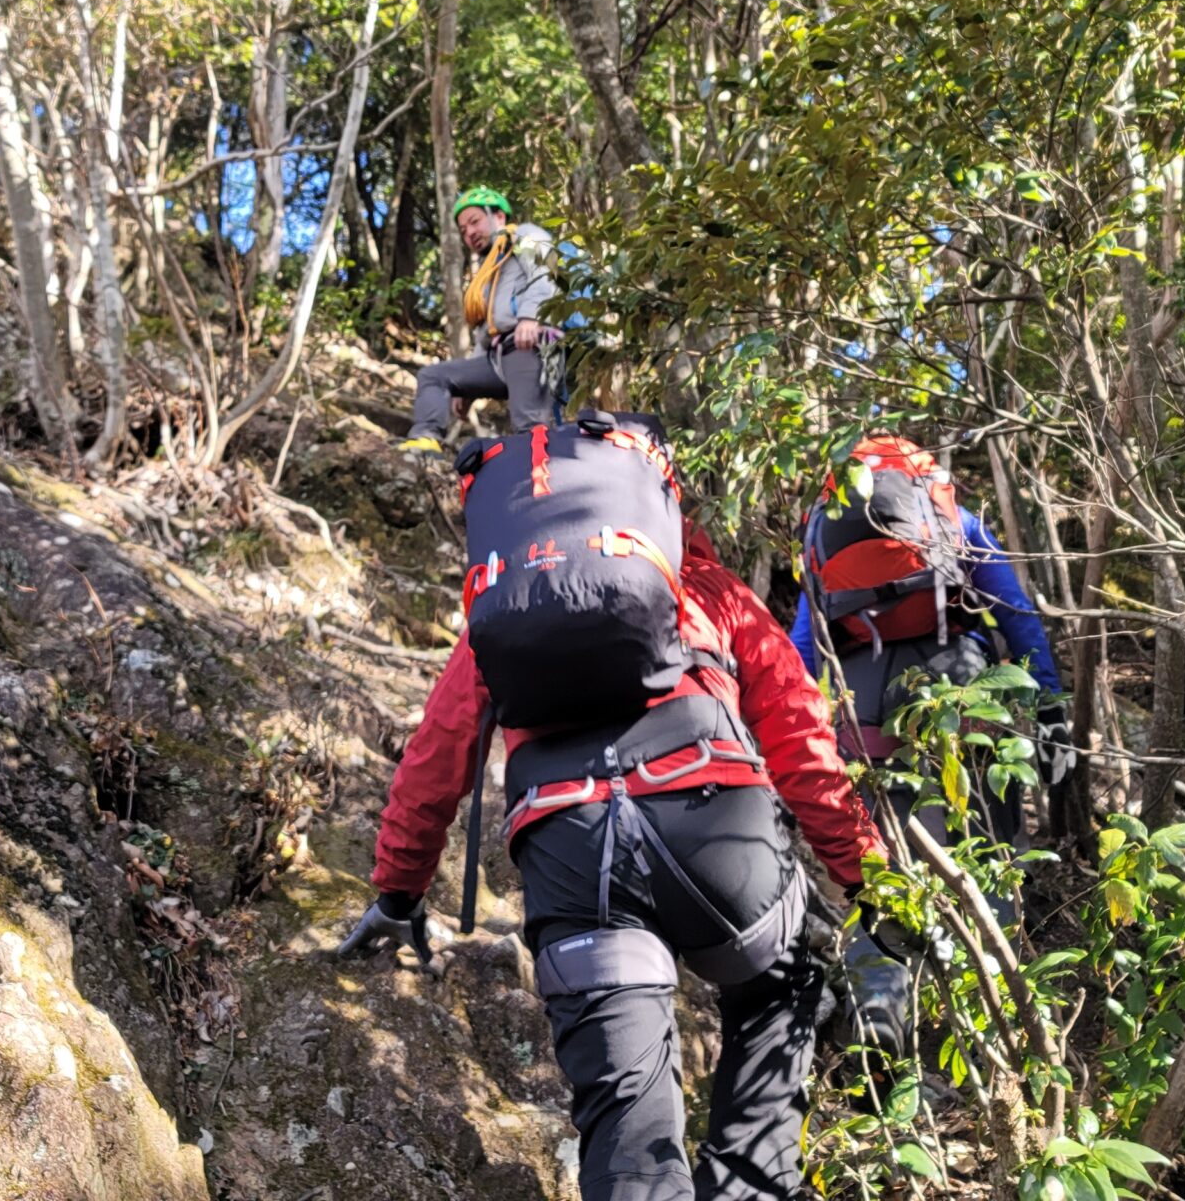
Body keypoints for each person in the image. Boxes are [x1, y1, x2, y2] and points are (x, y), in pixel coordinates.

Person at [340, 514, 885, 1201]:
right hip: (717, 829)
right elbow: (802, 740)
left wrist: (399, 892)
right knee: (783, 986)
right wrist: (868, 875)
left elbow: (436, 757)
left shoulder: (505, 610)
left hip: (572, 853)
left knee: (629, 1140)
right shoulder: (704, 585)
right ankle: (749, 1184)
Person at [786, 433, 1070, 1059]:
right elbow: (1016, 613)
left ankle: (878, 1015)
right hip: (961, 692)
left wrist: (799, 740)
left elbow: (803, 647)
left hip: (862, 706)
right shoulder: (954, 519)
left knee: (879, 866)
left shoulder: (822, 532)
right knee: (989, 852)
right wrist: (1048, 705)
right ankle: (996, 1030)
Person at [396, 186, 561, 456]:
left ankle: (540, 478)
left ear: (499, 217)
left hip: (529, 347)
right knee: (433, 376)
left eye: (474, 221)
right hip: (497, 357)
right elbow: (487, 330)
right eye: (463, 230)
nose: (470, 233)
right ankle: (425, 441)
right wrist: (468, 390)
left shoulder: (525, 235)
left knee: (529, 430)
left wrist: (530, 317)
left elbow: (547, 272)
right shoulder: (489, 273)